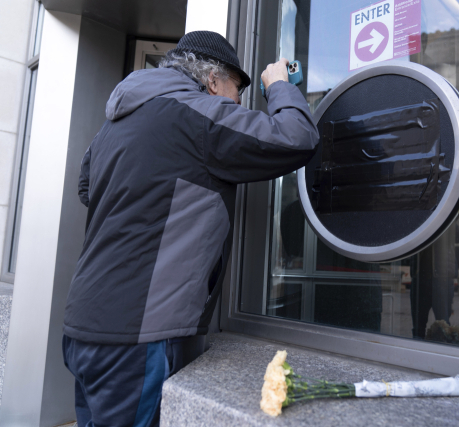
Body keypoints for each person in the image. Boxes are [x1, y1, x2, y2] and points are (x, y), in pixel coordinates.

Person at [62, 31, 319, 427]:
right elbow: (296, 138)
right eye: (236, 91)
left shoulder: (118, 119)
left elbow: (86, 187)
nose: (236, 104)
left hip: (83, 324)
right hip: (137, 336)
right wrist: (280, 86)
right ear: (213, 80)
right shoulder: (196, 113)